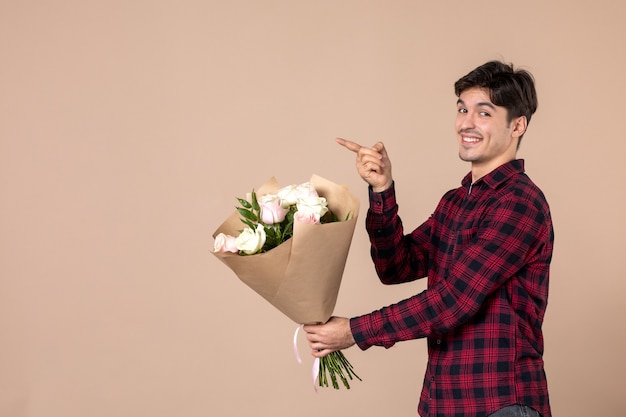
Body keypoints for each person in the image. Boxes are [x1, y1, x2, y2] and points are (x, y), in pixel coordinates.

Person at [303, 61, 553, 417]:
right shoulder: (455, 202)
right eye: (462, 109)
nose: (466, 122)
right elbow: (395, 266)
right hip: (445, 403)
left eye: (484, 112)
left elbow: (454, 301)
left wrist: (353, 332)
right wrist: (382, 189)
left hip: (499, 404)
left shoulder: (519, 202)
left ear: (517, 125)